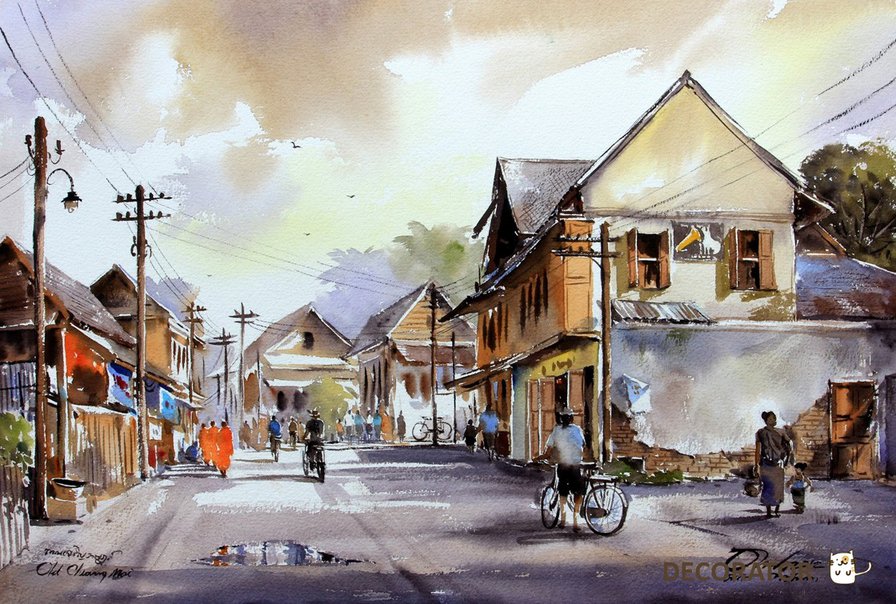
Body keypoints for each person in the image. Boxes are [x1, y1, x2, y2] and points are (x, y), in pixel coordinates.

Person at [535, 406, 586, 532]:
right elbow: (583, 444)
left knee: (563, 492)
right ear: (572, 418)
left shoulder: (556, 430)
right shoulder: (577, 429)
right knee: (578, 492)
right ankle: (575, 522)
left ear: (561, 419)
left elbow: (548, 452)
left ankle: (562, 521)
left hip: (563, 465)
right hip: (576, 465)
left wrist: (538, 458)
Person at [754, 410, 793, 518]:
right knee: (767, 487)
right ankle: (768, 511)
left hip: (778, 464)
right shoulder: (760, 433)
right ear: (766, 420)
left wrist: (786, 459)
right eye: (770, 419)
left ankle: (776, 510)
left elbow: (789, 445)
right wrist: (756, 464)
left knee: (778, 488)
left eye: (774, 418)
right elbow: (758, 449)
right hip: (765, 464)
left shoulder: (781, 432)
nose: (772, 420)